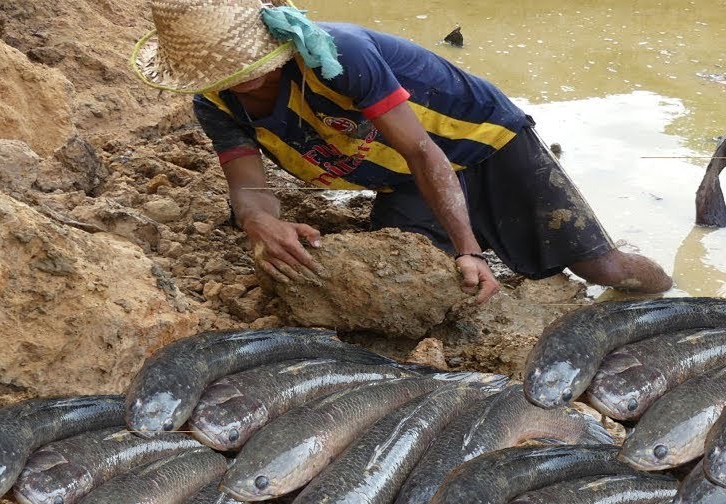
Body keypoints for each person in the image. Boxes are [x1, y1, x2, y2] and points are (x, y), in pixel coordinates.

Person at [131, 0, 673, 303]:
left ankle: (674, 298)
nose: (241, 82)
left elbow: (423, 150)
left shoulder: (338, 56)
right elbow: (248, 188)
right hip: (401, 176)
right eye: (223, 75)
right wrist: (260, 227)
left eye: (248, 66)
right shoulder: (217, 106)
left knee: (600, 267)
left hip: (482, 142)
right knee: (399, 280)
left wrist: (469, 249)